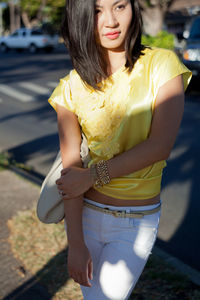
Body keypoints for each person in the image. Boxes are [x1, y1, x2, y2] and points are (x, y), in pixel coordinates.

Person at [48, 0, 192, 299]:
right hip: (86, 217)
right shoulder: (71, 87)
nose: (110, 21)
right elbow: (71, 172)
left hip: (134, 222)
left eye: (120, 6)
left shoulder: (162, 65)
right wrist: (75, 245)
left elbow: (159, 147)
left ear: (133, 10)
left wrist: (92, 177)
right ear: (81, 17)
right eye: (97, 10)